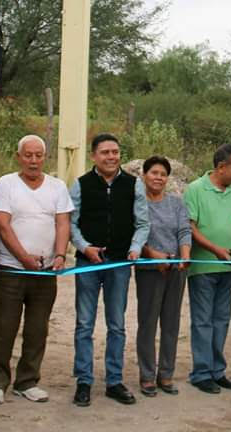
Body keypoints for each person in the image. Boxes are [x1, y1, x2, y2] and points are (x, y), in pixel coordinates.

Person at [0, 135, 72, 404]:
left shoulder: (57, 187)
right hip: (12, 269)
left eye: (38, 155)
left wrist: (60, 254)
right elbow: (3, 225)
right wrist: (23, 257)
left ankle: (27, 380)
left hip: (45, 271)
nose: (33, 161)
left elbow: (62, 223)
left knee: (37, 328)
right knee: (4, 326)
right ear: (19, 156)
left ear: (45, 157)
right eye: (28, 155)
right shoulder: (7, 184)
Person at [70, 133, 150, 407]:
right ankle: (84, 381)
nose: (111, 157)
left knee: (117, 325)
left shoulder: (133, 184)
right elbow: (71, 223)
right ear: (94, 156)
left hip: (119, 264)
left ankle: (114, 381)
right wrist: (84, 247)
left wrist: (136, 248)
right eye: (105, 152)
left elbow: (142, 223)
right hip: (87, 263)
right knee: (84, 324)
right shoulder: (80, 185)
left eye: (115, 152)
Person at [184, 143, 231, 394]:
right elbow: (189, 227)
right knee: (203, 321)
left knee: (222, 320)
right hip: (203, 266)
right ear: (221, 167)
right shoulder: (194, 189)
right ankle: (201, 372)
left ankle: (217, 370)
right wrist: (215, 249)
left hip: (229, 267)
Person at [135, 155, 192, 397]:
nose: (158, 178)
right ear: (144, 175)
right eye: (154, 173)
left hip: (176, 270)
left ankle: (166, 373)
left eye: (162, 174)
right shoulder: (138, 205)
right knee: (148, 323)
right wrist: (153, 255)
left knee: (171, 323)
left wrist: (184, 256)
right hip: (150, 270)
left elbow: (184, 230)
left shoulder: (176, 203)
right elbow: (137, 234)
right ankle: (147, 375)